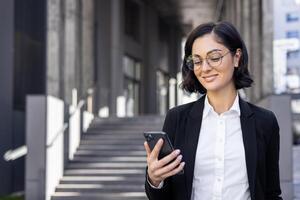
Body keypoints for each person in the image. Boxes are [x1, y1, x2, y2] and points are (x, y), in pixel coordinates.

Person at [144, 21, 282, 200]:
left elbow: (271, 193)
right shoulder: (177, 118)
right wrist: (155, 180)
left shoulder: (265, 121)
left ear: (236, 57)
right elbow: (164, 194)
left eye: (215, 57)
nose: (205, 68)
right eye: (197, 61)